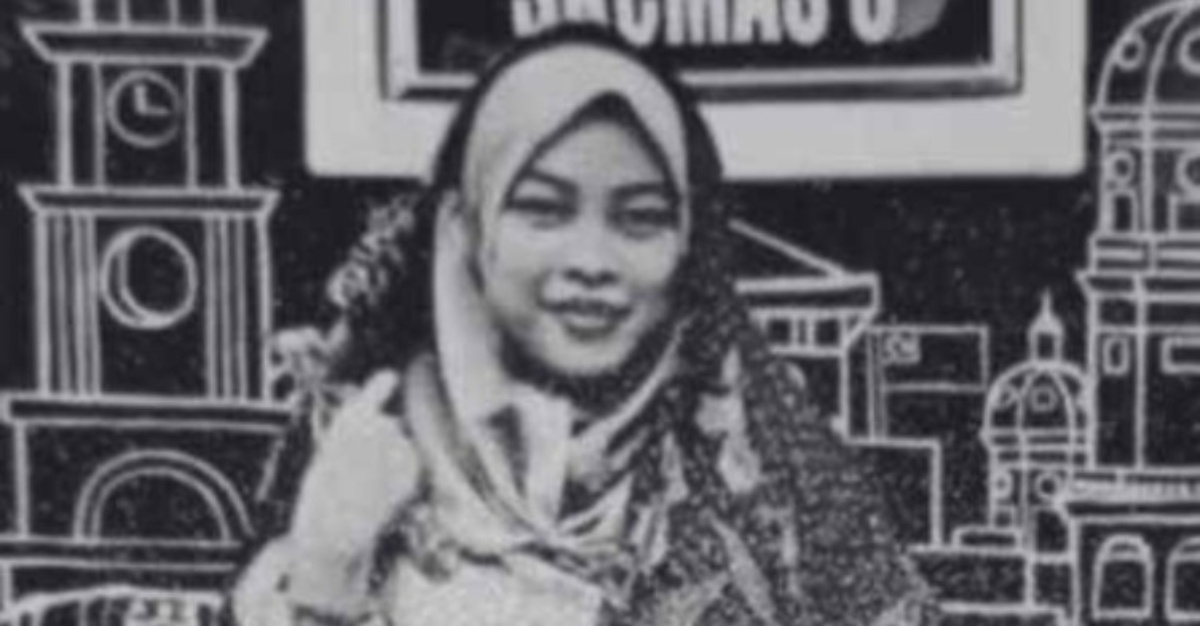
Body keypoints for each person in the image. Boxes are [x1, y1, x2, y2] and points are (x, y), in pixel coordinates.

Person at [233, 26, 935, 626]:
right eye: (543, 210)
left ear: (687, 247)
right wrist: (327, 576)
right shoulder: (355, 464)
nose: (592, 262)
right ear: (466, 230)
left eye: (641, 218)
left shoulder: (770, 493)